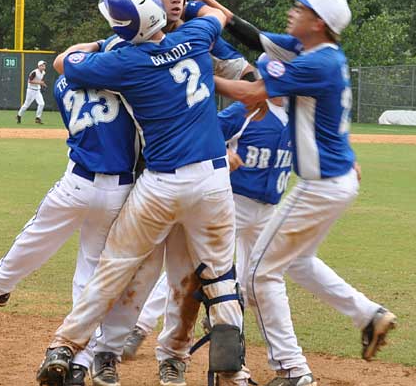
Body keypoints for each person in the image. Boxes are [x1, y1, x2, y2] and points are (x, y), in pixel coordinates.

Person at [184, 0, 397, 386]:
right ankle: (368, 315)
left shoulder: (313, 65)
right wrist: (208, 2)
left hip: (319, 188)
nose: (292, 10)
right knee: (297, 263)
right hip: (336, 182)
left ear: (318, 22)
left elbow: (252, 93)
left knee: (258, 273)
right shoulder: (316, 52)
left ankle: (292, 370)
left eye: (299, 6)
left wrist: (190, 75)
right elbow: (251, 36)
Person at [36, 0, 251, 386]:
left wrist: (98, 45)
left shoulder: (124, 62)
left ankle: (65, 344)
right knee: (220, 275)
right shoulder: (194, 36)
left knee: (115, 265)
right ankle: (231, 371)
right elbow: (215, 15)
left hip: (162, 184)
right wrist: (189, 8)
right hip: (212, 180)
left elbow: (65, 64)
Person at [0, 51, 141, 386]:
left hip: (77, 182)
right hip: (119, 190)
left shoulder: (62, 85)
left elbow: (69, 63)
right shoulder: (125, 85)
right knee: (92, 274)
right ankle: (80, 362)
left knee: (39, 233)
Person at [123, 94, 291, 362]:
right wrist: (224, 152)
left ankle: (233, 337)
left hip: (267, 211)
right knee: (192, 270)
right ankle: (139, 327)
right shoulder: (246, 110)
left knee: (256, 279)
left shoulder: (297, 114)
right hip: (231, 202)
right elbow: (204, 133)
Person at [17, 60, 47, 124]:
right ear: (39, 66)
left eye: (44, 65)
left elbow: (40, 80)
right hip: (31, 90)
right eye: (42, 65)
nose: (43, 66)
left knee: (42, 104)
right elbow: (30, 81)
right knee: (26, 105)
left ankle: (37, 118)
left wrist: (42, 84)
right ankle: (19, 115)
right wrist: (40, 83)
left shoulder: (43, 72)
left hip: (37, 91)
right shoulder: (34, 72)